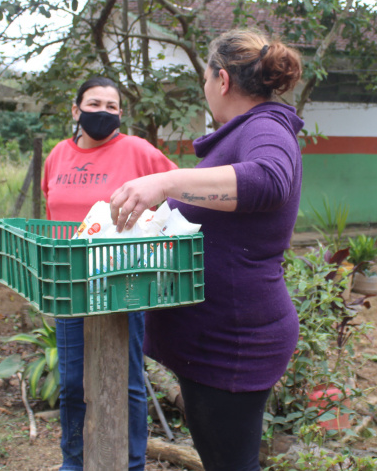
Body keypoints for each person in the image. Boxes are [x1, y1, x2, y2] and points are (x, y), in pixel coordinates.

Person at [109, 29, 304, 471]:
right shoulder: (244, 131)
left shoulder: (266, 126)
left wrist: (165, 181)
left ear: (222, 80)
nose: (204, 92)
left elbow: (268, 181)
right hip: (214, 340)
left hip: (233, 344)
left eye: (203, 81)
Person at [41, 76, 178, 471]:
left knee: (128, 381)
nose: (103, 112)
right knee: (71, 383)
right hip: (70, 284)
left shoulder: (137, 151)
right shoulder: (57, 156)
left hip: (123, 284)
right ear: (75, 109)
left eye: (112, 106)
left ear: (121, 113)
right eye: (94, 104)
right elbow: (52, 212)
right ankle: (75, 461)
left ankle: (132, 463)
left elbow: (178, 192)